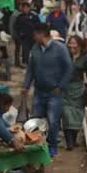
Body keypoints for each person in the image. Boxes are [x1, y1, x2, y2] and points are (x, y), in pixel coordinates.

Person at [22, 23, 72, 158]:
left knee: (53, 120)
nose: (33, 37)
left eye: (35, 34)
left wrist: (60, 86)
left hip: (54, 92)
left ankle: (52, 145)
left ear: (42, 34)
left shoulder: (60, 49)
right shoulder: (35, 49)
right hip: (39, 91)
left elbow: (68, 68)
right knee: (35, 119)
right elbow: (30, 69)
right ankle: (37, 144)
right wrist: (26, 86)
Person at [62, 34, 87, 149]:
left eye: (74, 44)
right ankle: (69, 142)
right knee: (66, 114)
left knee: (77, 115)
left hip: (79, 90)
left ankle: (74, 138)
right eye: (70, 43)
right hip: (65, 89)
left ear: (79, 46)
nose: (72, 46)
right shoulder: (64, 56)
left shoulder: (84, 58)